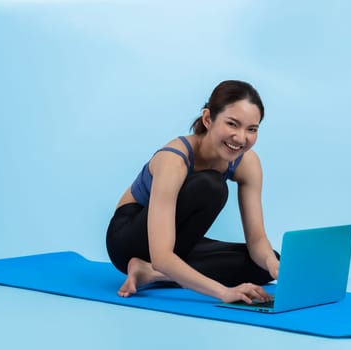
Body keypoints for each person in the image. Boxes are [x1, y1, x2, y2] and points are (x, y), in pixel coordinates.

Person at [106, 80, 280, 305]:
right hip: (130, 238)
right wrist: (224, 293)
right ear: (208, 119)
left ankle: (149, 273)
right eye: (232, 124)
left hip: (177, 242)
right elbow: (162, 255)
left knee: (267, 264)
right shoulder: (174, 160)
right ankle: (153, 267)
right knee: (211, 187)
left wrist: (272, 264)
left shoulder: (248, 163)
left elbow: (257, 240)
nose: (240, 138)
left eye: (252, 129)